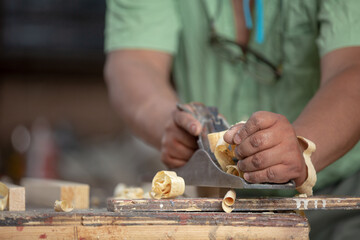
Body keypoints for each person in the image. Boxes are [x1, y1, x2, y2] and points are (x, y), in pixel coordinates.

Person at [104, 0, 360, 238]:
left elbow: (352, 65)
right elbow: (135, 60)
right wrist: (165, 123)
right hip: (217, 202)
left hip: (338, 194)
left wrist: (302, 148)